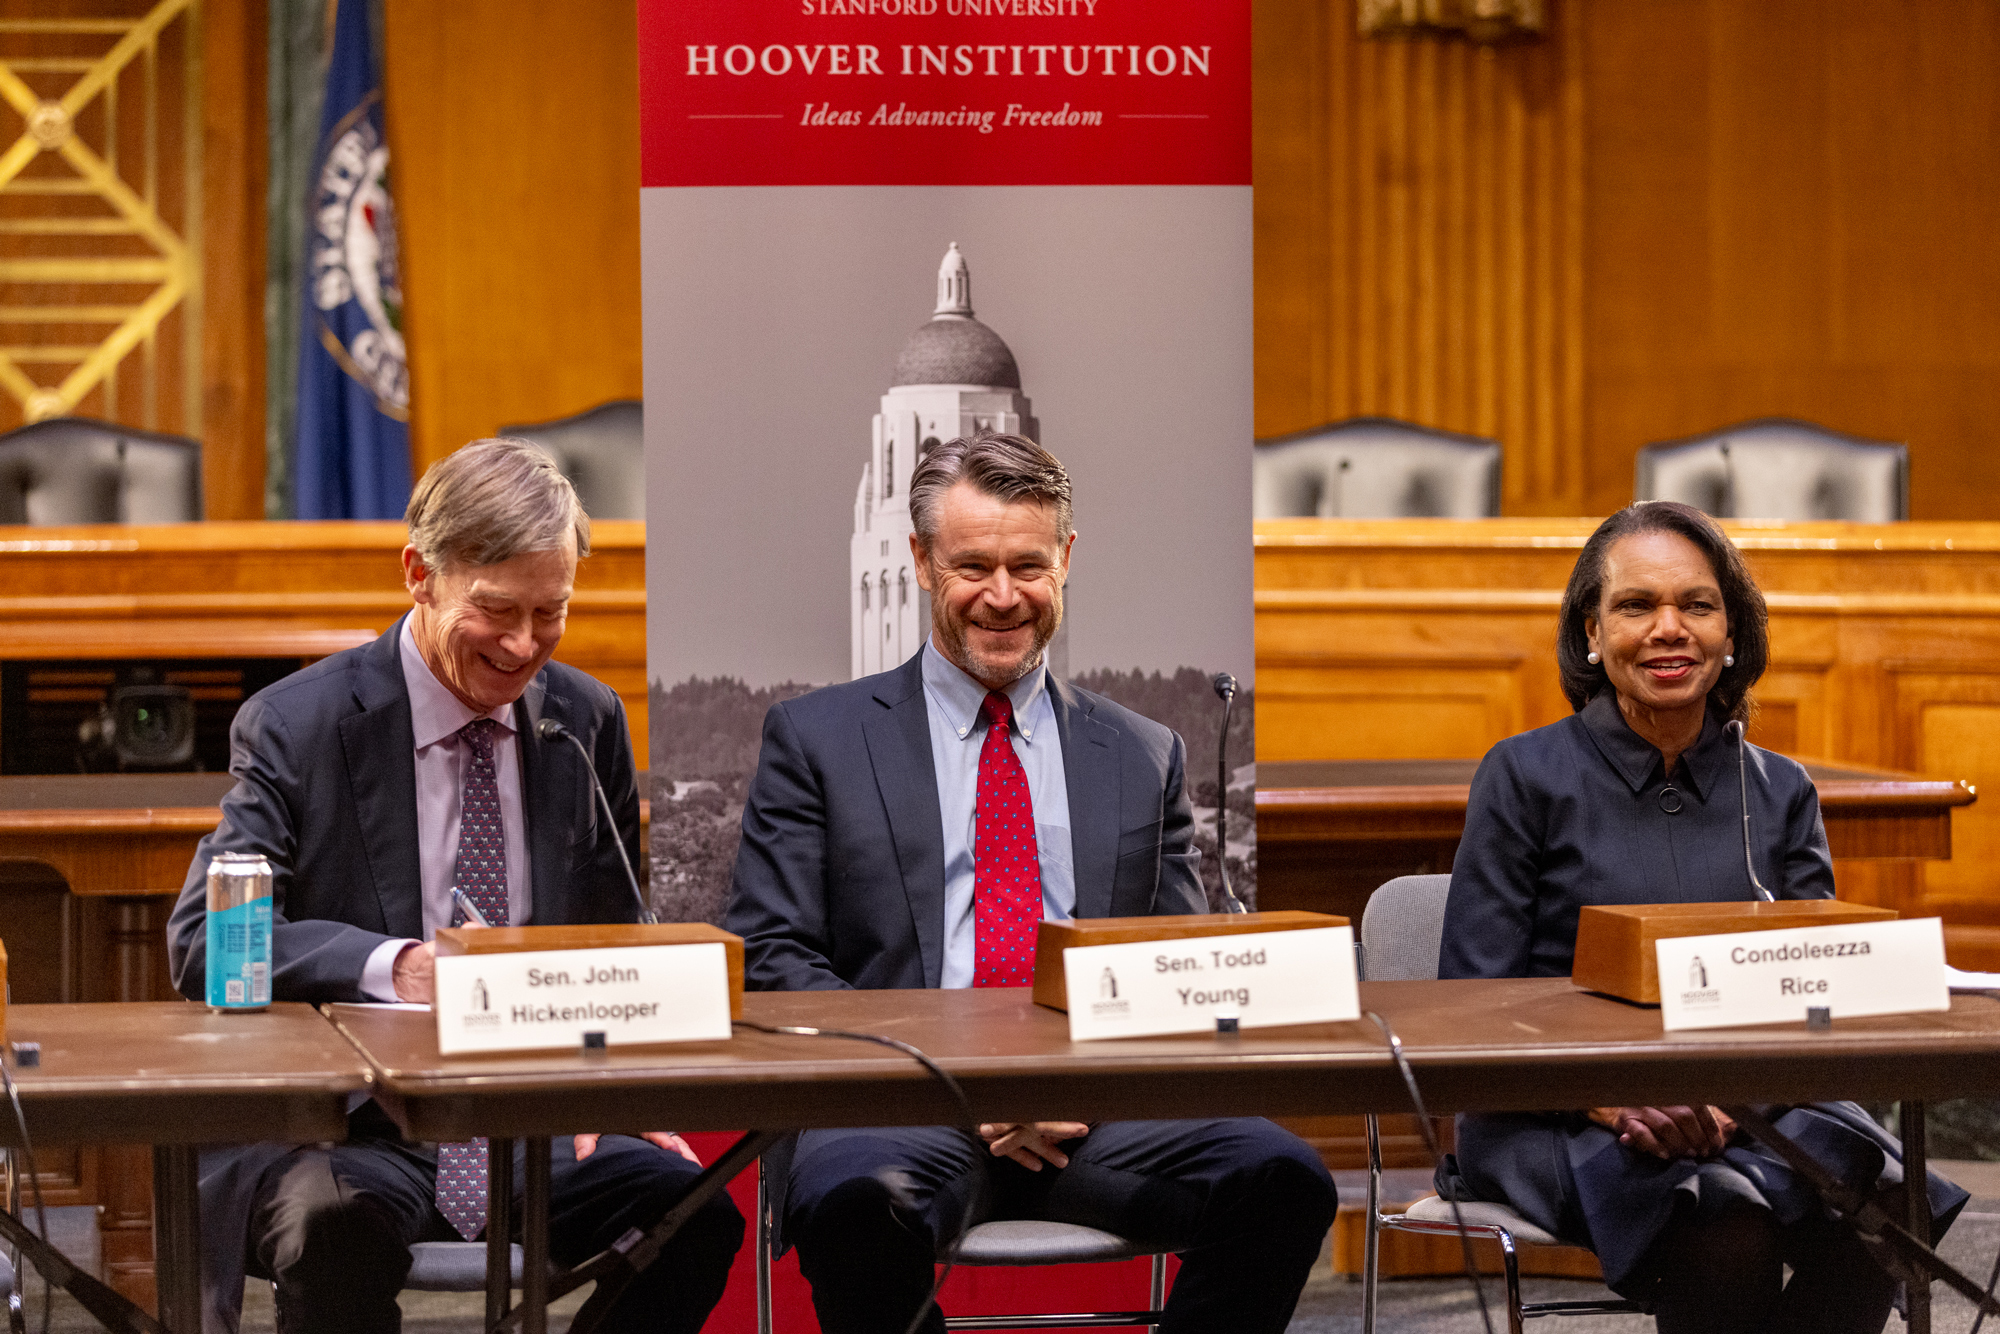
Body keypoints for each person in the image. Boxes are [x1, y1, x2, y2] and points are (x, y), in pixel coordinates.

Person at [725, 432, 1336, 1334]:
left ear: (1067, 561)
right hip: (898, 1109)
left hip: (1096, 1112)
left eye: (1028, 565)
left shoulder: (1142, 752)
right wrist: (959, 1090)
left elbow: (1172, 970)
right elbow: (775, 957)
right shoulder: (817, 741)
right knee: (855, 1204)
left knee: (1285, 1182)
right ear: (922, 561)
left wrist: (1075, 1090)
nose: (1003, 596)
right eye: (973, 564)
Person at [165, 440, 741, 1334]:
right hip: (357, 1126)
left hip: (536, 1120)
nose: (523, 646)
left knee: (695, 1212)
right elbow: (203, 939)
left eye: (550, 613)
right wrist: (396, 967)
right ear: (418, 575)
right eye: (496, 611)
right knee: (333, 1232)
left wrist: (620, 1090)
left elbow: (618, 933)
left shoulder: (583, 720)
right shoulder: (300, 725)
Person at [1440, 499, 1966, 1334]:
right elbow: (1472, 997)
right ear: (1590, 631)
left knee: (1883, 1201)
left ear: (1733, 634)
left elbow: (1819, 992)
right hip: (1555, 1107)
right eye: (1636, 606)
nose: (1668, 629)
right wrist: (1615, 1100)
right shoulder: (1523, 775)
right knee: (1725, 1223)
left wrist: (1731, 1100)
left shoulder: (1780, 790)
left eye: (1696, 604)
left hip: (1758, 1097)